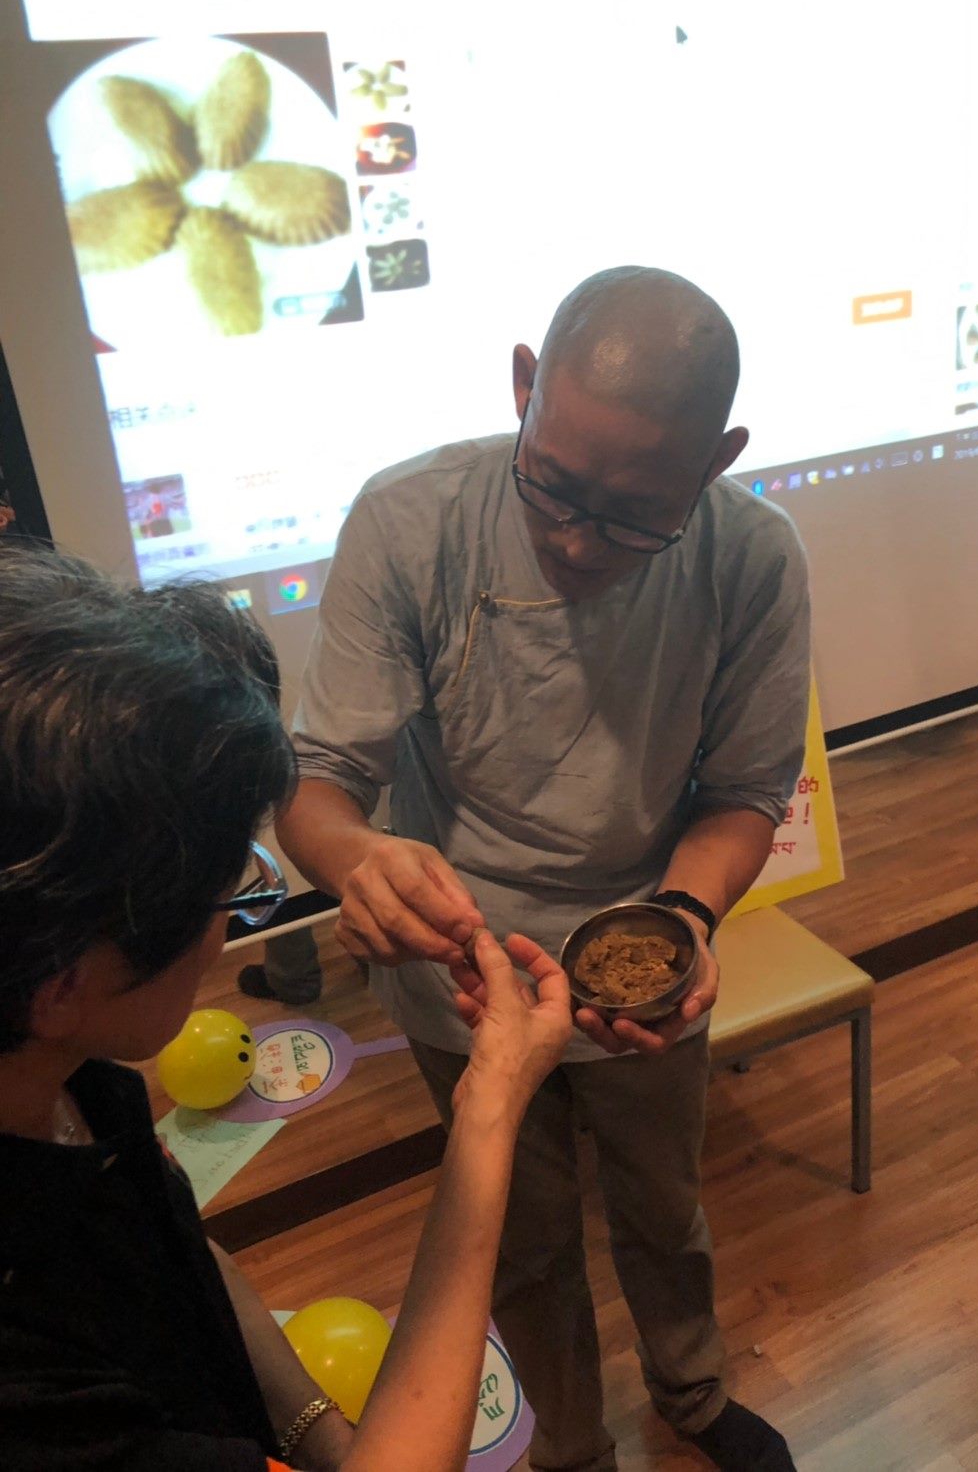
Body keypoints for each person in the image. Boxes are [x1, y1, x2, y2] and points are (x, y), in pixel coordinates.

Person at [278, 266, 810, 1472]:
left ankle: (691, 1389)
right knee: (513, 1235)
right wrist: (357, 855)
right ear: (524, 388)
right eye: (553, 487)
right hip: (460, 968)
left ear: (716, 460)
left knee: (664, 1207)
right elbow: (316, 780)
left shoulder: (754, 557)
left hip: (644, 958)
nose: (578, 539)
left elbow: (741, 792)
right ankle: (571, 1447)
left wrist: (679, 914)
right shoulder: (409, 519)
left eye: (634, 516)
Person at [0, 541, 572, 1472]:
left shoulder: (69, 1079)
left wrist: (317, 1431)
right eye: (225, 896)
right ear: (63, 981)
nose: (224, 932)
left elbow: (173, 1249)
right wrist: (493, 1102)